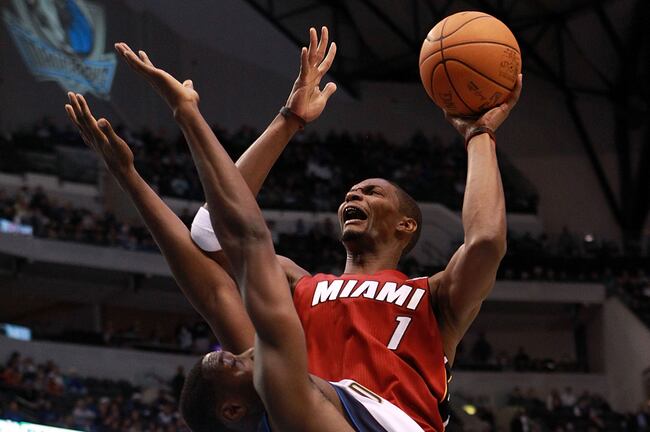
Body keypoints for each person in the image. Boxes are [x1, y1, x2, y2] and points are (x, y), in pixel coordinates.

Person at [116, 24, 521, 430]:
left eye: (372, 192)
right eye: (350, 193)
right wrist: (288, 121)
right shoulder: (301, 285)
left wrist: (479, 135)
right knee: (260, 349)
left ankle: (189, 117)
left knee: (264, 349)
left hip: (393, 423)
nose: (353, 195)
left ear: (406, 225)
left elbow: (486, 241)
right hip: (314, 412)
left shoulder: (433, 296)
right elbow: (210, 234)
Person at [65, 49, 425, 432]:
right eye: (236, 360)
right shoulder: (300, 323)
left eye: (234, 355)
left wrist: (128, 175)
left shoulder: (285, 357)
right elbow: (229, 240)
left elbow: (213, 283)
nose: (248, 351)